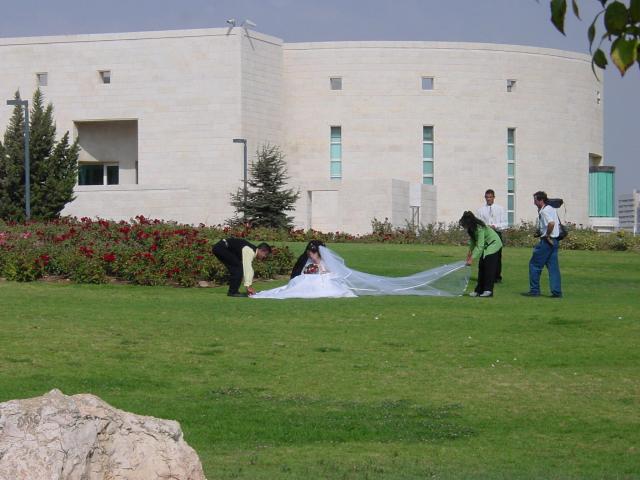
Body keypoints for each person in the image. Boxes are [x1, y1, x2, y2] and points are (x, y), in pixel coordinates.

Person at [252, 242, 469, 299]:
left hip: (321, 280)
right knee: (298, 283)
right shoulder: (309, 261)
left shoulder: (323, 260)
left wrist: (318, 270)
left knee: (311, 284)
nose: (309, 257)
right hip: (310, 279)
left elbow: (327, 272)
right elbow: (310, 270)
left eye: (311, 254)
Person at [252, 241, 356, 299]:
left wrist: (321, 270)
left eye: (312, 253)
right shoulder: (306, 260)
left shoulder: (324, 261)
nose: (310, 255)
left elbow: (332, 272)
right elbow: (301, 272)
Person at [525, 191, 562, 298]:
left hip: (546, 242)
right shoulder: (551, 208)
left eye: (535, 200)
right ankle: (557, 292)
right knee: (553, 268)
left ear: (540, 200)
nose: (534, 202)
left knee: (534, 265)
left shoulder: (544, 211)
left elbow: (551, 223)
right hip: (555, 241)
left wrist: (547, 235)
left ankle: (534, 290)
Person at [459, 211, 503, 297]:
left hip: (493, 244)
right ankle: (478, 291)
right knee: (481, 267)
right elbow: (472, 242)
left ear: (469, 223)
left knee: (488, 268)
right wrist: (469, 255)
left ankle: (488, 291)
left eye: (465, 225)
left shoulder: (479, 228)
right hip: (487, 246)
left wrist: (472, 259)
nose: (465, 227)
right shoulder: (471, 229)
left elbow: (479, 246)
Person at [476, 189, 507, 282]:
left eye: (490, 197)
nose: (488, 199)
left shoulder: (500, 209)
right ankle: (485, 275)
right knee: (485, 255)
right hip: (485, 235)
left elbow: (505, 223)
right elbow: (478, 223)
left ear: (494, 197)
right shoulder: (480, 210)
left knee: (497, 256)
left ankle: (497, 276)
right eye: (487, 197)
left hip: (496, 234)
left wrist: (495, 226)